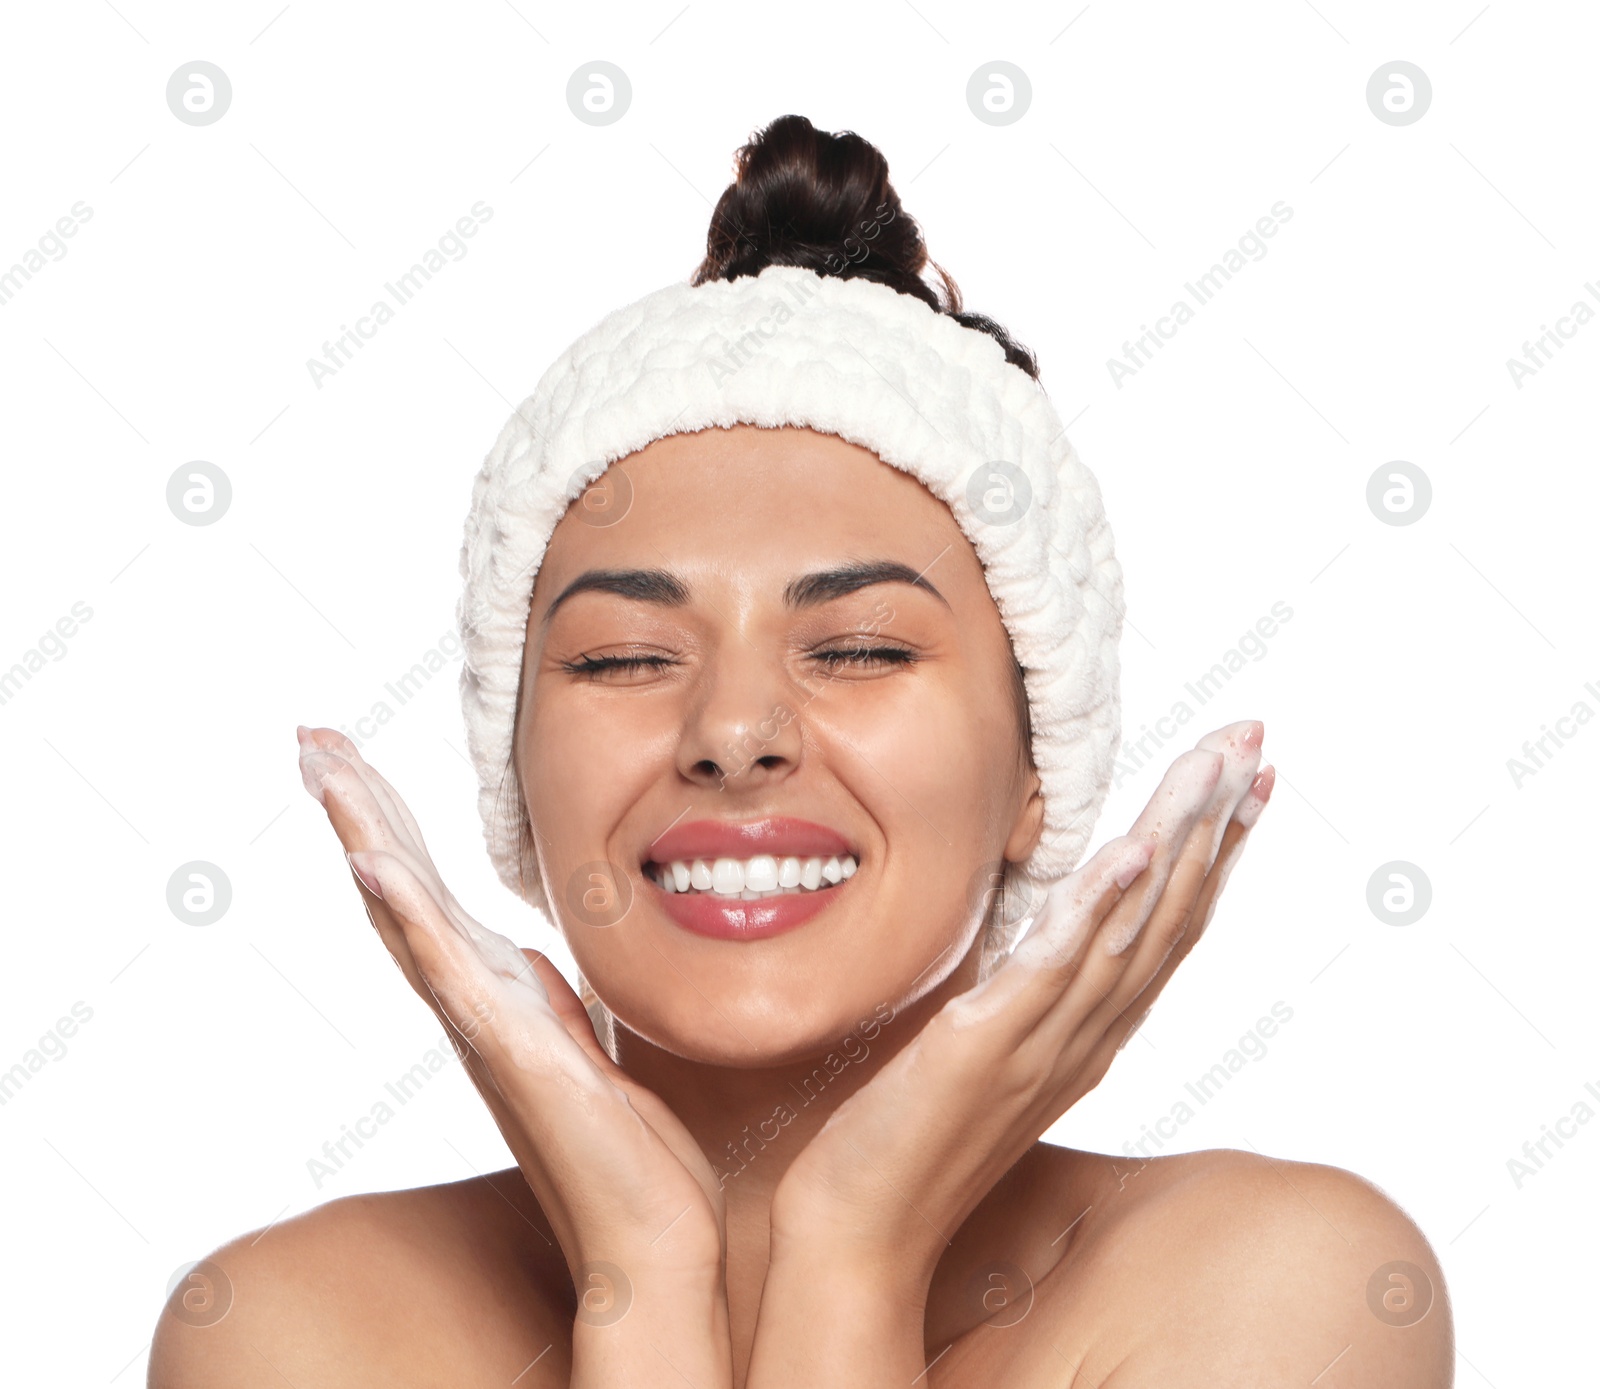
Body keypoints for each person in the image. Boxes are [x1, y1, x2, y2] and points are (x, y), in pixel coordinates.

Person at [150, 114, 1452, 1387]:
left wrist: (851, 1253)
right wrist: (646, 1272)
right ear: (517, 769)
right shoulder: (295, 1334)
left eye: (862, 647)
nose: (731, 733)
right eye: (622, 657)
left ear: (1038, 766)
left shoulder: (1278, 1289)